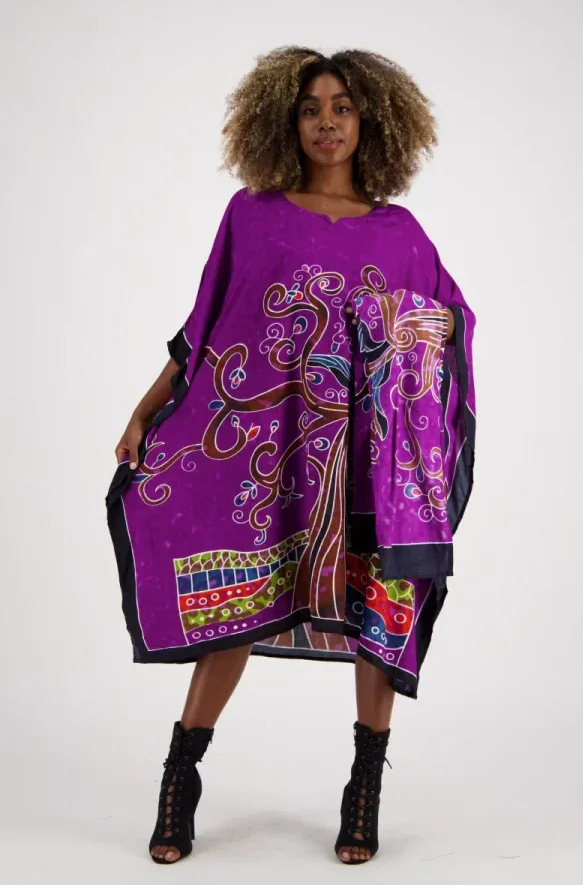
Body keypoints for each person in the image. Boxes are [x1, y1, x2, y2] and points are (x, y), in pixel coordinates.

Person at [106, 46, 476, 866]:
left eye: (342, 108)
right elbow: (205, 328)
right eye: (311, 109)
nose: (326, 123)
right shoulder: (253, 215)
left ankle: (364, 787)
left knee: (381, 611)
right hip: (269, 458)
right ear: (286, 121)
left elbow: (450, 323)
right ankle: (180, 778)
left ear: (371, 121)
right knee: (235, 616)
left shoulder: (402, 233)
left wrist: (425, 329)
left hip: (372, 466)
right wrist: (145, 411)